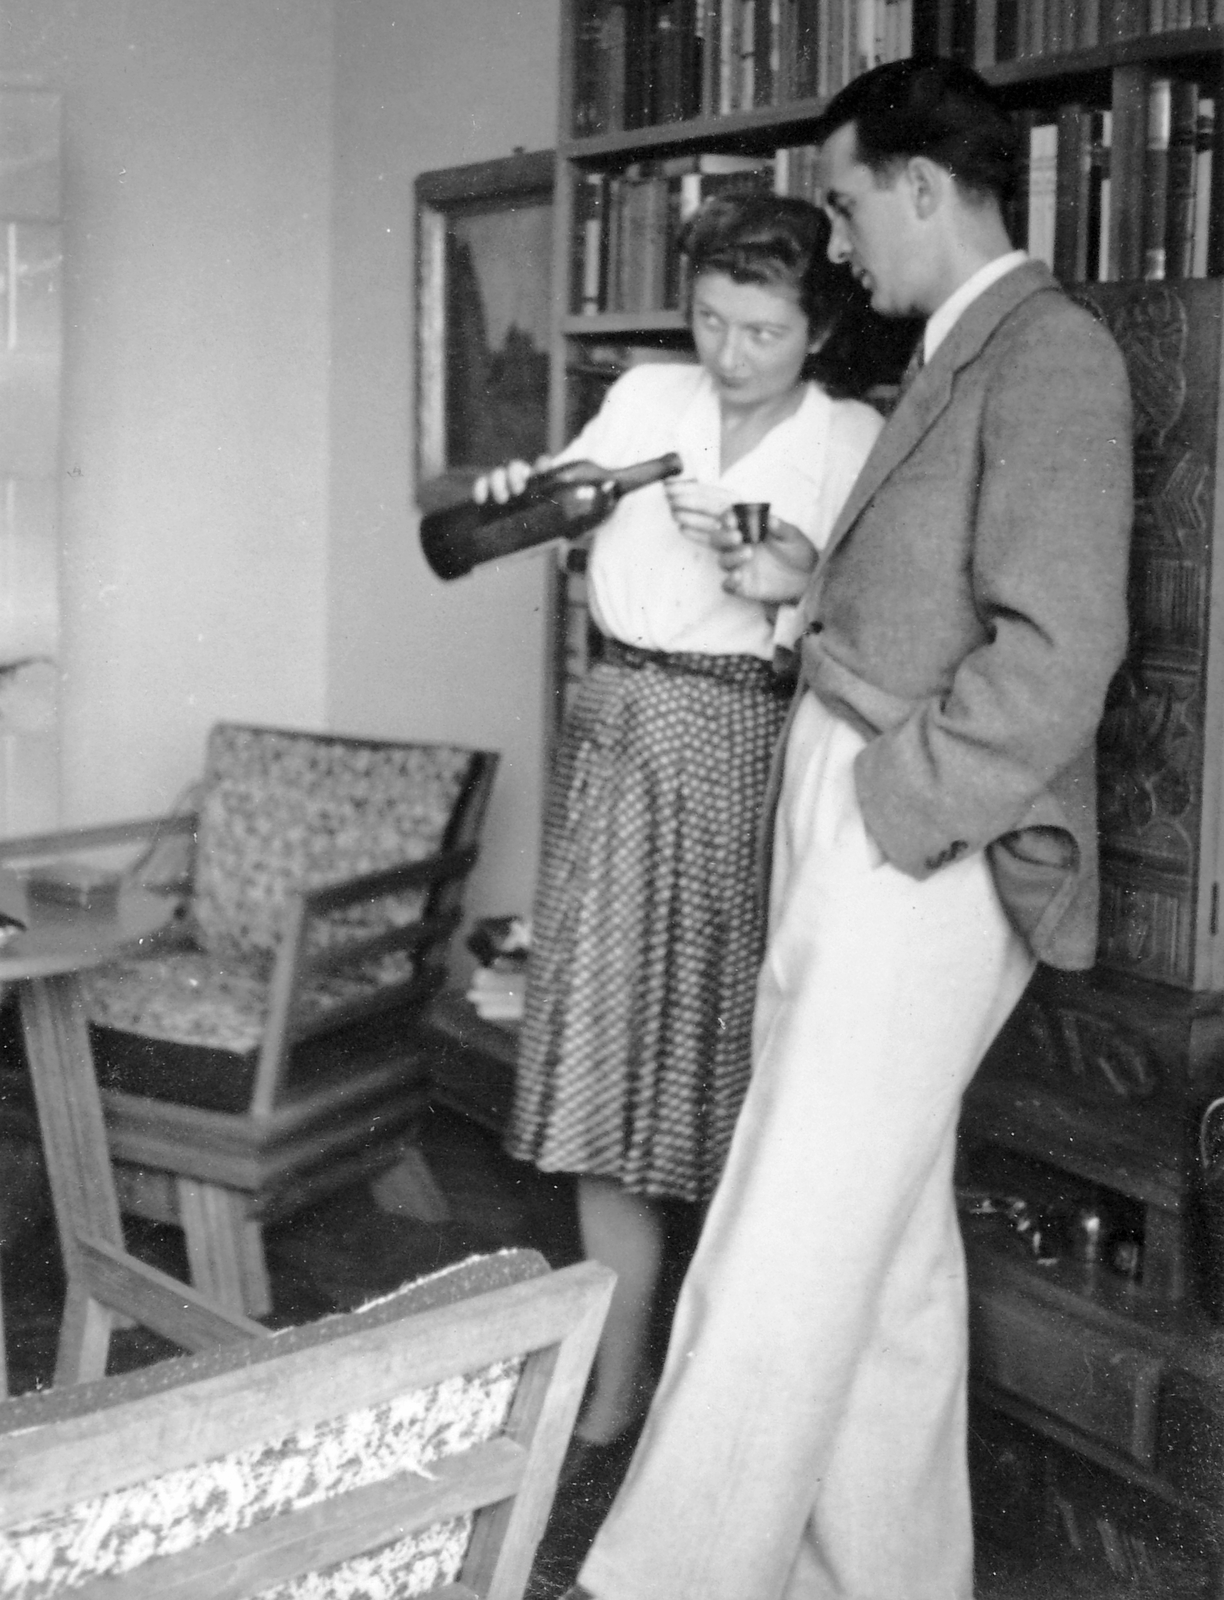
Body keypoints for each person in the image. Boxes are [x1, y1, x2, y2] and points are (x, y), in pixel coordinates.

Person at [564, 58, 1133, 1600]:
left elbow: (1058, 652)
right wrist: (805, 602)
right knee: (879, 1264)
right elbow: (933, 602)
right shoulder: (961, 348)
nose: (838, 235)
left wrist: (893, 809)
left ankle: (659, 1580)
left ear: (924, 187)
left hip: (919, 829)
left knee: (784, 1223)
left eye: (847, 196)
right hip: (856, 797)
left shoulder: (1050, 353)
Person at [483, 192, 888, 1468]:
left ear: (817, 327)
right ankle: (614, 1388)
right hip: (617, 724)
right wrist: (527, 499)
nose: (728, 350)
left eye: (761, 329)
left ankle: (722, 1407)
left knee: (724, 1072)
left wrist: (796, 576)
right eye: (711, 318)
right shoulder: (652, 400)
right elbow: (562, 508)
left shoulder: (850, 435)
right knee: (610, 1066)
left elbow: (875, 615)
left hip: (745, 743)